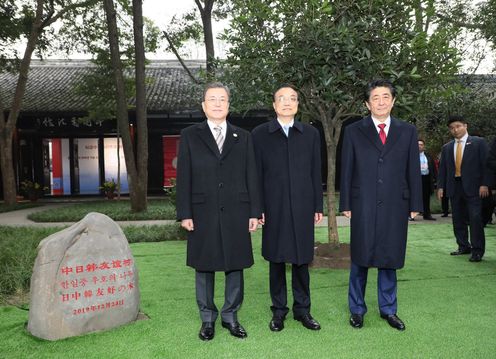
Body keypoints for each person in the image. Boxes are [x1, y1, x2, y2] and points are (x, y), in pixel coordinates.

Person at [175, 82, 261, 341]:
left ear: (228, 105)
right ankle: (207, 319)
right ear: (203, 105)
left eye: (222, 99)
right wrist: (185, 213)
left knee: (235, 265)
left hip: (237, 210)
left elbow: (252, 176)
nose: (217, 103)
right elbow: (184, 177)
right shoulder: (190, 135)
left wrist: (254, 212)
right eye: (212, 99)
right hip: (202, 212)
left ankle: (231, 317)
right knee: (204, 266)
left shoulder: (243, 137)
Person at [339, 79, 422, 331]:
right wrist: (346, 201)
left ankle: (389, 309)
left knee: (389, 255)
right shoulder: (354, 130)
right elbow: (347, 169)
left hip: (396, 202)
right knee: (360, 257)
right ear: (367, 103)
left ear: (393, 101)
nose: (381, 101)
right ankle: (357, 309)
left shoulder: (407, 131)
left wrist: (415, 202)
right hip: (362, 201)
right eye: (375, 97)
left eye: (386, 96)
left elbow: (413, 170)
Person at [251, 84, 323, 332]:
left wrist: (317, 205)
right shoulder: (260, 134)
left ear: (298, 105)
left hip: (303, 206)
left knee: (302, 260)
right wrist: (257, 207)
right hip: (274, 207)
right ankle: (279, 311)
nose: (287, 102)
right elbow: (255, 175)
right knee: (277, 260)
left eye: (292, 98)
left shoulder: (310, 134)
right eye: (282, 98)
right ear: (274, 105)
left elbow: (316, 172)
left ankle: (303, 310)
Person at [437, 115, 491, 262]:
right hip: (454, 187)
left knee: (475, 218)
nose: (455, 130)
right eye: (452, 128)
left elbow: (487, 165)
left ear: (465, 126)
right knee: (458, 218)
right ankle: (463, 246)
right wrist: (441, 186)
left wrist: (485, 184)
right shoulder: (447, 148)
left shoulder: (479, 143)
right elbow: (443, 169)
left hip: (475, 188)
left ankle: (477, 251)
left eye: (458, 126)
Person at [418, 139, 437, 220]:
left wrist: (436, 178)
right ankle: (411, 215)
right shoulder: (411, 155)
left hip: (426, 179)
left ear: (424, 146)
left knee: (426, 197)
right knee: (415, 196)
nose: (419, 146)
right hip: (416, 180)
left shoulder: (428, 156)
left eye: (421, 144)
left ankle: (427, 214)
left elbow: (433, 168)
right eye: (418, 144)